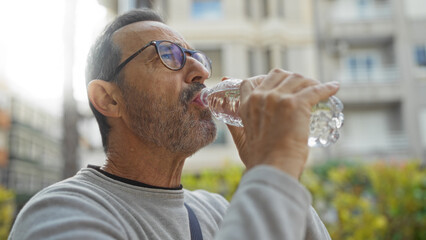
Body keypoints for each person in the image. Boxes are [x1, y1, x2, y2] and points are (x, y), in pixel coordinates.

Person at [9, 9, 339, 240]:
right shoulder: (63, 214)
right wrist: (274, 168)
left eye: (196, 57)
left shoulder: (219, 212)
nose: (201, 71)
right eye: (168, 55)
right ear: (109, 99)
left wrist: (268, 168)